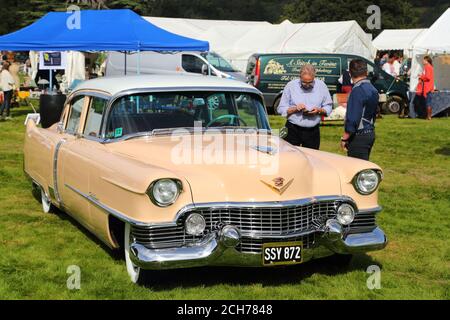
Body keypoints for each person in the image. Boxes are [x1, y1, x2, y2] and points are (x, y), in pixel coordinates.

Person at [277, 64, 332, 150]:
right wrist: (295, 108)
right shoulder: (290, 86)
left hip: (313, 131)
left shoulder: (322, 86)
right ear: (300, 77)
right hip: (293, 129)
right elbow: (281, 108)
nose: (307, 85)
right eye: (304, 82)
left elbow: (328, 106)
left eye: (310, 82)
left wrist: (319, 110)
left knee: (312, 158)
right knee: (290, 157)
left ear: (314, 77)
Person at [340, 59, 379, 161]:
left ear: (350, 73)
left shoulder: (357, 90)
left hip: (359, 135)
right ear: (366, 72)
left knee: (356, 169)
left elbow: (353, 118)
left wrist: (345, 136)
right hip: (370, 132)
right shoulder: (373, 89)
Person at [410, 56, 434, 120]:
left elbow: (428, 77)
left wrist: (421, 77)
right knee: (428, 102)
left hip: (428, 87)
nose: (423, 61)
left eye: (424, 60)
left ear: (427, 60)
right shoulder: (429, 67)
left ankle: (429, 116)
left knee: (428, 102)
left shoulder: (428, 67)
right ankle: (428, 116)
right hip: (429, 86)